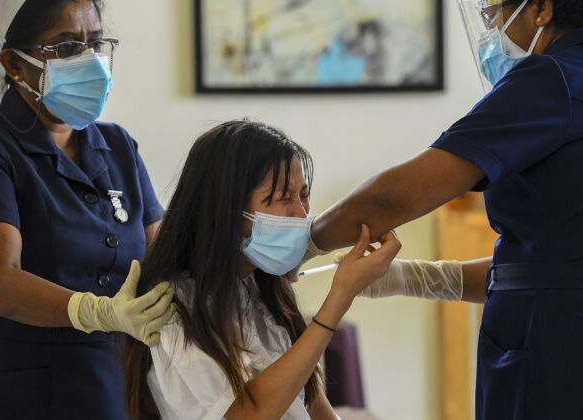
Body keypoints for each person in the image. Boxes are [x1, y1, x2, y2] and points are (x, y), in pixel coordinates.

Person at [307, 0, 583, 419]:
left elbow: (394, 197)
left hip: (563, 351)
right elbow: (561, 262)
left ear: (541, 9)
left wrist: (305, 241)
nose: (494, 30)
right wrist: (419, 278)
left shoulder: (553, 79)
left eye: (497, 13)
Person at [0, 1, 174, 419]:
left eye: (95, 44)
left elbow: (167, 255)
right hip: (10, 386)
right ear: (14, 63)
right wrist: (94, 311)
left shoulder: (117, 147)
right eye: (65, 48)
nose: (88, 60)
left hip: (107, 377)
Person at [123, 120, 401, 420]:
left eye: (304, 195)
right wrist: (340, 296)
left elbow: (313, 403)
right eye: (282, 198)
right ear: (225, 207)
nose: (300, 213)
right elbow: (247, 414)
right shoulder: (174, 307)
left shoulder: (263, 288)